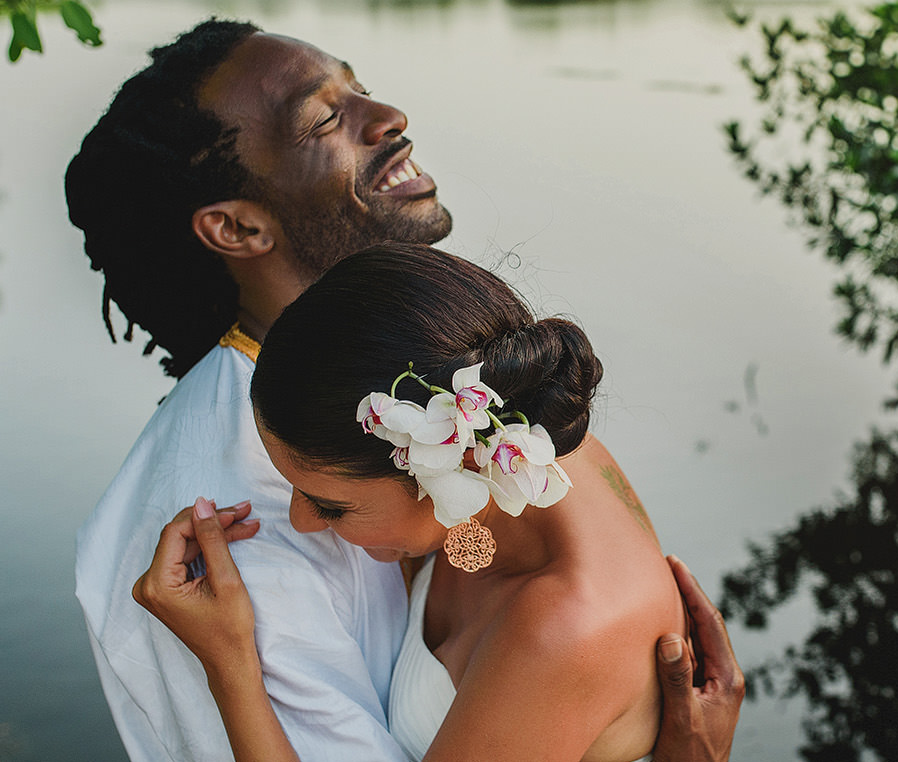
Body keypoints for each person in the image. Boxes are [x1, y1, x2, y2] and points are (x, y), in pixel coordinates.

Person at [64, 19, 741, 762]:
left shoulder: (456, 435)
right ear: (235, 225)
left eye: (326, 504)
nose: (391, 117)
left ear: (427, 462)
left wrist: (233, 667)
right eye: (324, 116)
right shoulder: (463, 454)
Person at [138, 243, 719, 762]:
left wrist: (230, 663)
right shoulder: (521, 435)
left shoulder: (561, 630)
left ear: (454, 459)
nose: (299, 521)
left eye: (332, 506)